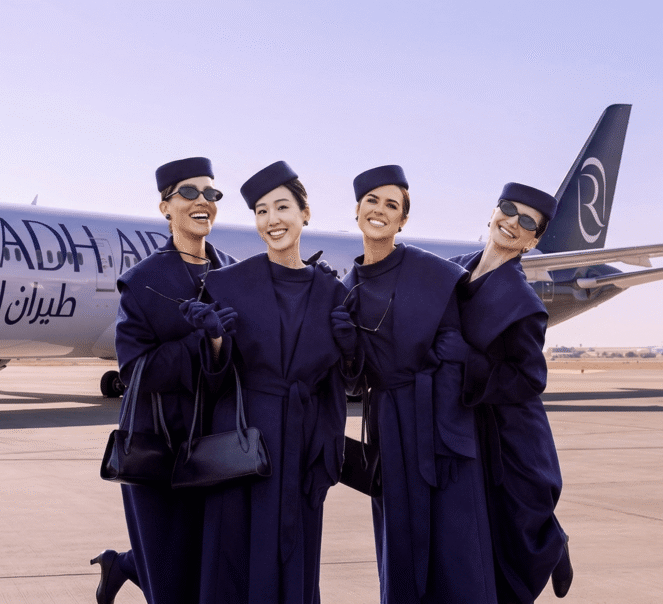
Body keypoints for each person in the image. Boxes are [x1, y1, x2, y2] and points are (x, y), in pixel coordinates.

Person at [192, 161, 355, 603]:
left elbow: (341, 383)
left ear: (305, 213)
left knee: (294, 557)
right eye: (261, 212)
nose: (271, 220)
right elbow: (210, 379)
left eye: (282, 207)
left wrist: (328, 451)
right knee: (235, 558)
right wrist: (215, 341)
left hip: (303, 446)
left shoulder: (334, 294)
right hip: (242, 446)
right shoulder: (226, 284)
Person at [344, 165, 496, 603]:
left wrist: (447, 436)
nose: (379, 210)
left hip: (442, 427)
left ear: (402, 221)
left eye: (391, 205)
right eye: (372, 201)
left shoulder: (433, 271)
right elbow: (352, 380)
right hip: (388, 427)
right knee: (400, 543)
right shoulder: (348, 286)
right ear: (357, 211)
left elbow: (456, 351)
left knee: (456, 549)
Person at [91, 157, 237, 604]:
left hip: (222, 448)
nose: (202, 202)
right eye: (189, 193)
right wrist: (202, 342)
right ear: (165, 207)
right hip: (161, 451)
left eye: (211, 194)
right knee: (172, 584)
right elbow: (134, 371)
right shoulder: (142, 282)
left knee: (211, 572)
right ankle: (134, 564)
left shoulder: (235, 274)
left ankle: (126, 564)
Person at [449, 183, 572, 603]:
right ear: (493, 212)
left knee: (513, 519)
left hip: (511, 425)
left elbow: (529, 379)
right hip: (470, 415)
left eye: (526, 222)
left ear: (532, 241)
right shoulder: (455, 269)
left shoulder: (523, 302)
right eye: (507, 209)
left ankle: (551, 546)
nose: (511, 222)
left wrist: (469, 362)